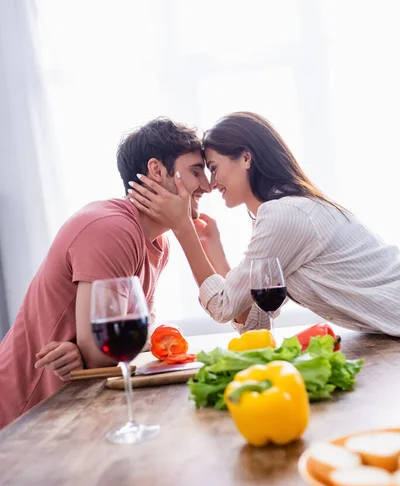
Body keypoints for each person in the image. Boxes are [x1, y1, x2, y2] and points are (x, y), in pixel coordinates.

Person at [0, 118, 210, 428]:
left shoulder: (157, 242)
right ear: (156, 170)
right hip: (22, 419)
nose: (206, 185)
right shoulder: (111, 229)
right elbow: (102, 353)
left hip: (73, 409)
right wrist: (88, 354)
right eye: (195, 171)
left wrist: (85, 354)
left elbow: (134, 336)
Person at [129, 111, 400, 336]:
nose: (210, 184)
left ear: (246, 158)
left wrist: (183, 230)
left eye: (213, 167)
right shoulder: (276, 215)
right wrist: (212, 248)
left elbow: (223, 307)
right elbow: (255, 325)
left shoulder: (285, 215)